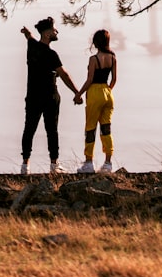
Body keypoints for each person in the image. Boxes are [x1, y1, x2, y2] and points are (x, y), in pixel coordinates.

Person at [19, 17, 82, 175]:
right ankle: (54, 164)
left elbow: (30, 38)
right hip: (49, 96)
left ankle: (25, 165)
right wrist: (77, 93)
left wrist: (27, 33)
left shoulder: (32, 46)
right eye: (54, 30)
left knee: (29, 129)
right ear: (47, 34)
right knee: (52, 130)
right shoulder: (51, 54)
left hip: (32, 96)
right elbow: (64, 75)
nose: (57, 31)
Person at [74, 29, 117, 174]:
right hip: (108, 93)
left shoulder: (94, 59)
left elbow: (90, 80)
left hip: (95, 93)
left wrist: (78, 94)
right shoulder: (113, 57)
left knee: (90, 128)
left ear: (96, 42)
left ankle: (88, 162)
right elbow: (114, 79)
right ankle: (108, 163)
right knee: (106, 128)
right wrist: (107, 90)